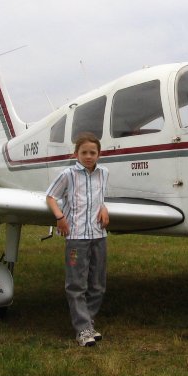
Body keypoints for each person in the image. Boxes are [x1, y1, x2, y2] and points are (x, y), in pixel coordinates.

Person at [46, 132, 110, 347]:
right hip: (76, 237)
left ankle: (88, 324)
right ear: (76, 154)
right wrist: (60, 217)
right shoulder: (68, 174)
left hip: (98, 235)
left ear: (99, 154)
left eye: (93, 152)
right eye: (84, 152)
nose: (88, 156)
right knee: (76, 284)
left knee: (98, 284)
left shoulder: (104, 173)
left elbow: (99, 197)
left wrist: (104, 208)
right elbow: (51, 196)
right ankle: (82, 329)